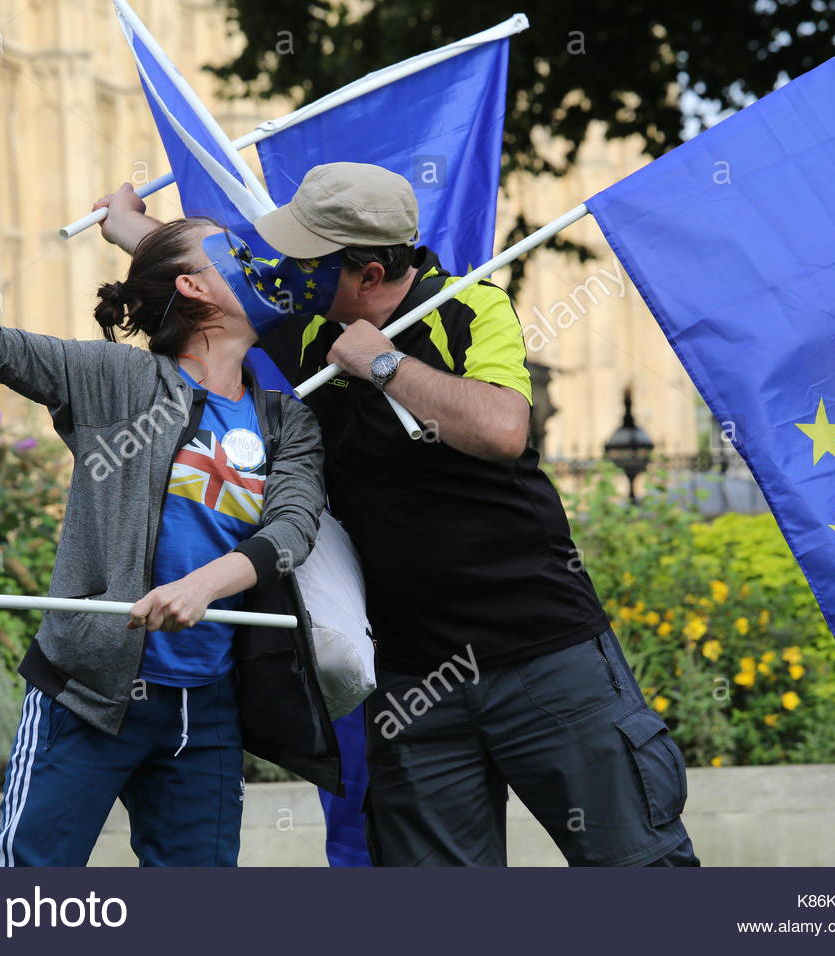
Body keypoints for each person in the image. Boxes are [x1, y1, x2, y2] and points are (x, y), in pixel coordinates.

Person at [97, 163, 699, 867]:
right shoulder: (303, 317)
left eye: (307, 259)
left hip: (547, 661)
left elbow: (504, 428)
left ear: (370, 273)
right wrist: (129, 229)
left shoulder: (471, 308)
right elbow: (211, 268)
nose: (286, 271)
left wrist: (383, 365)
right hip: (414, 689)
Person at [0, 157, 335, 867]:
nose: (254, 259)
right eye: (232, 251)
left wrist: (204, 586)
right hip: (91, 690)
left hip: (208, 707)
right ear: (196, 289)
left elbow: (290, 531)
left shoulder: (289, 419)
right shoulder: (121, 380)